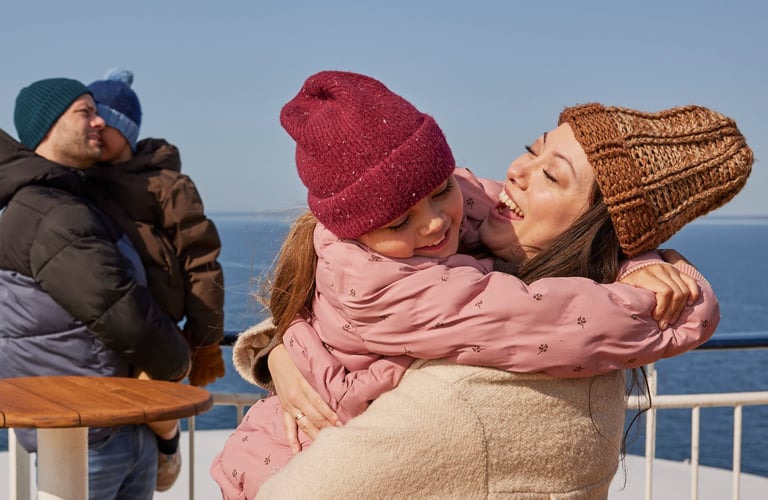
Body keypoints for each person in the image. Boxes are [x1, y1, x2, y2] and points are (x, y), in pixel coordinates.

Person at [212, 72, 750, 498]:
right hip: (275, 454)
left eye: (551, 175)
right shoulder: (477, 290)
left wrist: (640, 260)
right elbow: (565, 315)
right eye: (531, 151)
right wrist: (673, 294)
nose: (517, 171)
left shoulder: (478, 391)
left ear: (599, 227)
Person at [0, 77, 191, 499]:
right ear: (47, 126)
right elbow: (125, 315)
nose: (98, 121)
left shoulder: (68, 200)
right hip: (87, 433)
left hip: (106, 422)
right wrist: (179, 366)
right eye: (85, 111)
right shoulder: (48, 213)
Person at [84, 68, 226, 491]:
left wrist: (206, 343)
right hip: (108, 332)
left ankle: (168, 448)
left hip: (157, 329)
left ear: (124, 130)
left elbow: (201, 263)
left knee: (156, 406)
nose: (93, 131)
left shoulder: (167, 186)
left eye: (103, 123)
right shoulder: (80, 182)